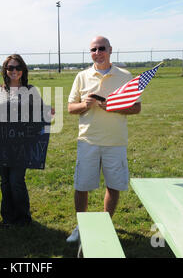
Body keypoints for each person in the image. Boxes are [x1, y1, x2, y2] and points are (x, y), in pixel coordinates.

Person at [66, 36, 141, 243]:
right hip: (88, 140)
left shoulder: (125, 76)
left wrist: (114, 107)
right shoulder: (82, 76)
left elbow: (136, 108)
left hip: (115, 141)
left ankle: (106, 225)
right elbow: (71, 108)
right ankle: (81, 226)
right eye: (93, 49)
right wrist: (86, 105)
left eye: (101, 48)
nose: (97, 52)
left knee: (113, 185)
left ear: (110, 50)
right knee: (82, 186)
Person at [0, 54, 53, 226]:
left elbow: (40, 113)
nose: (14, 71)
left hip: (22, 144)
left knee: (16, 180)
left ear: (23, 70)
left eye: (17, 67)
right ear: (5, 70)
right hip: (1, 145)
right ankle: (7, 217)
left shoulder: (31, 90)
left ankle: (23, 217)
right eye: (10, 68)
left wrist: (47, 112)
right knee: (5, 182)